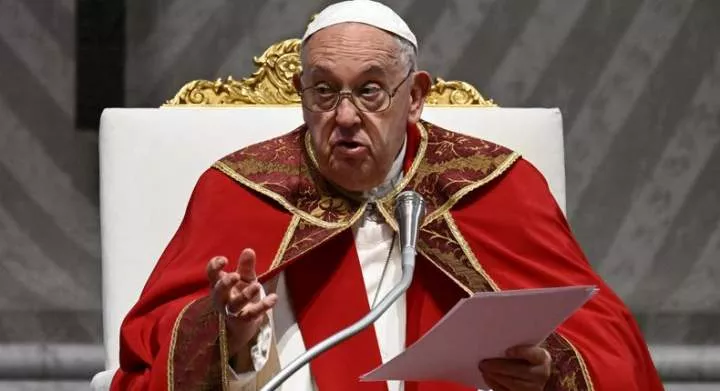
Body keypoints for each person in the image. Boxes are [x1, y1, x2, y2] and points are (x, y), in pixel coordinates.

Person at [110, 1, 664, 390]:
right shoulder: (239, 189)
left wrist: (545, 374)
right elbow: (146, 354)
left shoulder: (492, 183)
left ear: (415, 96)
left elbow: (606, 347)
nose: (345, 116)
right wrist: (226, 333)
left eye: (370, 90)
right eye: (323, 91)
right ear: (301, 96)